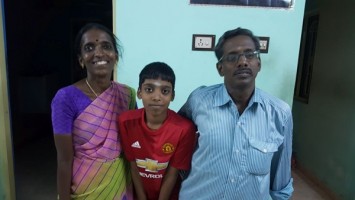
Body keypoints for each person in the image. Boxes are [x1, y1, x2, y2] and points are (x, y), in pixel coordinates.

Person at [178, 27, 294, 200]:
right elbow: (175, 136)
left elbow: (281, 183)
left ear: (259, 64)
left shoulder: (280, 113)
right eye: (232, 57)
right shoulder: (199, 100)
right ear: (220, 68)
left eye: (250, 54)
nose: (243, 62)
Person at [51, 23, 136, 200]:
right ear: (81, 59)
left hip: (118, 186)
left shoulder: (128, 95)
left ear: (116, 56)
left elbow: (132, 149)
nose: (99, 53)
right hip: (84, 189)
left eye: (106, 46)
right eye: (89, 48)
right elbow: (64, 160)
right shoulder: (65, 98)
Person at [118, 62, 196, 200]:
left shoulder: (184, 129)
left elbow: (173, 172)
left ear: (172, 95)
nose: (156, 97)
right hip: (138, 194)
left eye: (165, 91)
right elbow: (133, 165)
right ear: (139, 92)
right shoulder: (126, 122)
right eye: (149, 89)